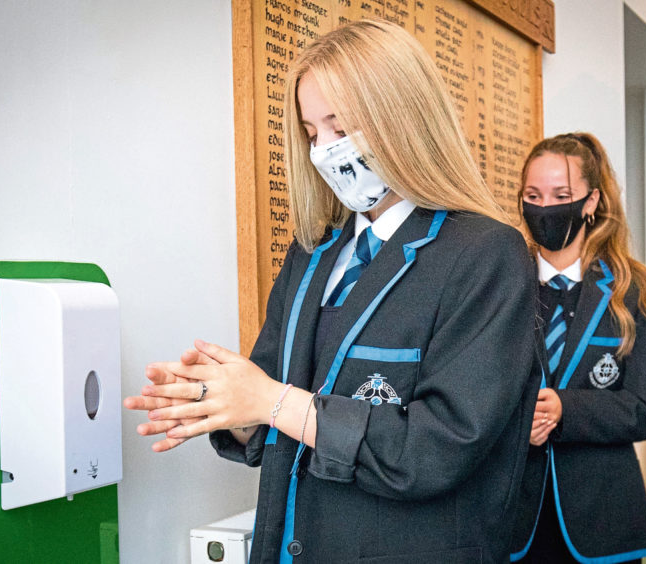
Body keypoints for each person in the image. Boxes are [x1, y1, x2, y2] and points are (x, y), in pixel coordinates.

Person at [124, 19, 540, 564]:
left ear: (403, 119)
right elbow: (277, 399)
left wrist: (272, 401)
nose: (325, 151)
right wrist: (227, 405)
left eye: (339, 127)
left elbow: (438, 448)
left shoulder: (486, 254)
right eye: (312, 132)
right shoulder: (312, 253)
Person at [509, 132, 646, 563]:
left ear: (591, 201)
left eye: (562, 195)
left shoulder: (635, 290)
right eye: (533, 195)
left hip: (604, 517)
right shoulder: (500, 283)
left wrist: (566, 409)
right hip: (511, 517)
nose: (546, 208)